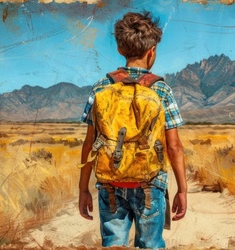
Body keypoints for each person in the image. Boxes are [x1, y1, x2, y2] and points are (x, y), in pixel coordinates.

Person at [78, 11, 187, 249]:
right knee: (151, 244)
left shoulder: (101, 87)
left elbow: (90, 144)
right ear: (152, 51)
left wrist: (83, 189)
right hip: (150, 182)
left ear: (119, 49)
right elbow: (174, 146)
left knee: (114, 243)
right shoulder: (162, 90)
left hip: (110, 184)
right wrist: (182, 189)